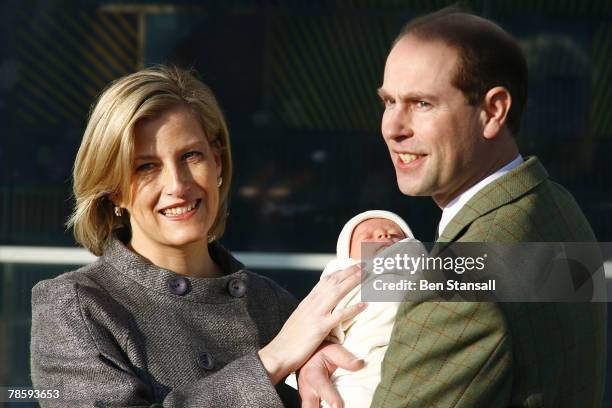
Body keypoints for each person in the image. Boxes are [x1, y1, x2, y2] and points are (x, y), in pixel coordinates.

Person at [298, 8, 607, 408]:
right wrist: (320, 357)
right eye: (388, 101)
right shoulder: (552, 203)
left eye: (422, 103)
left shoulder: (453, 283)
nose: (392, 127)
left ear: (493, 110)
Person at [29, 66, 368, 407]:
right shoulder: (76, 307)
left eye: (190, 155)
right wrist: (271, 363)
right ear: (114, 191)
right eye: (145, 167)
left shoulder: (273, 304)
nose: (177, 185)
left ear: (217, 163)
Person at [287, 210, 422, 408]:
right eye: (367, 236)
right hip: (360, 364)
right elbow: (313, 326)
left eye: (394, 235)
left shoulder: (425, 270)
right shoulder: (338, 277)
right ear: (347, 256)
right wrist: (313, 351)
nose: (383, 236)